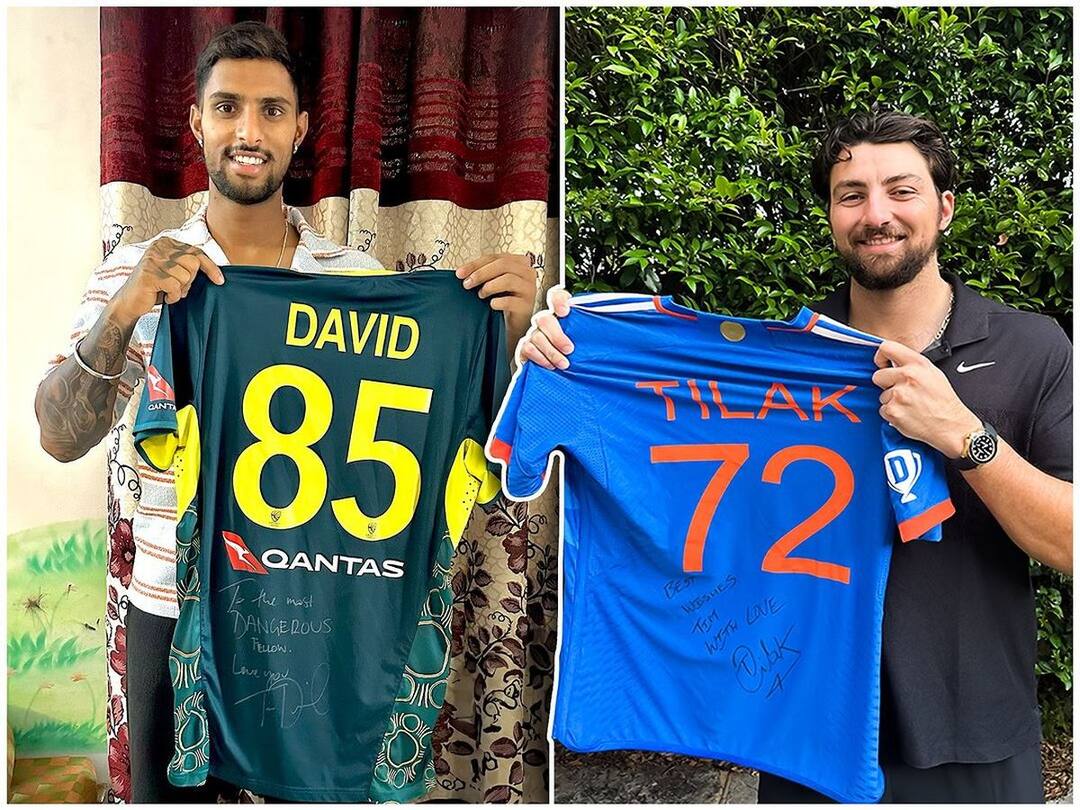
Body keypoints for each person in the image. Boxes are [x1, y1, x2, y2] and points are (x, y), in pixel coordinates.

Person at [34, 21, 538, 803]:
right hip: (174, 610)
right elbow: (59, 437)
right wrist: (126, 310)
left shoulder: (362, 281)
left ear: (299, 129)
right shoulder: (137, 272)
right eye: (227, 107)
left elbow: (490, 459)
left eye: (271, 110)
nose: (248, 130)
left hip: (324, 608)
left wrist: (507, 335)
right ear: (197, 122)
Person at [522, 110, 1072, 803]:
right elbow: (686, 484)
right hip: (801, 735)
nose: (877, 214)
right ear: (832, 216)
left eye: (901, 190)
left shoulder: (1032, 348)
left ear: (945, 207)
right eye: (852, 195)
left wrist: (966, 437)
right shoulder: (777, 364)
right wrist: (575, 358)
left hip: (976, 736)